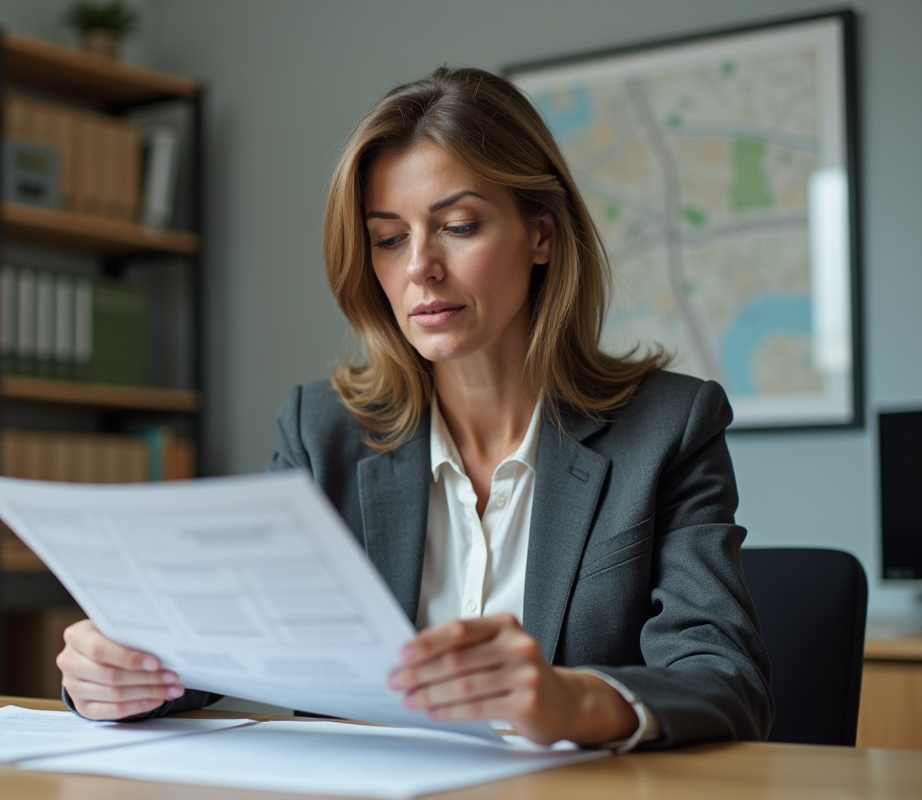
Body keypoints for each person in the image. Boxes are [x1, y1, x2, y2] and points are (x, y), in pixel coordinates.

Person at [58, 66, 773, 750]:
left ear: (542, 235)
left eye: (458, 226)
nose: (418, 268)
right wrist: (122, 672)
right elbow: (233, 641)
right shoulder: (321, 432)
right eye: (388, 239)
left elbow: (723, 680)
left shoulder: (668, 429)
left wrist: (571, 699)